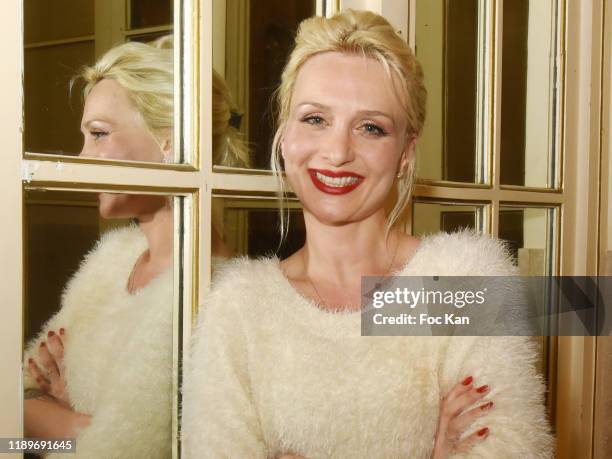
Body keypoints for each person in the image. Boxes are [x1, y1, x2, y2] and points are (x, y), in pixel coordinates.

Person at [182, 9, 555, 459]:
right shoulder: (238, 307)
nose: (337, 152)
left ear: (404, 153)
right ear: (283, 136)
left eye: (371, 128)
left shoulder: (465, 278)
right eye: (315, 119)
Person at [23, 37, 175, 459]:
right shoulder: (111, 261)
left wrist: (71, 421)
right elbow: (10, 423)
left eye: (99, 134)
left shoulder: (208, 284)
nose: (81, 156)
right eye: (314, 120)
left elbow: (124, 452)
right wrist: (81, 427)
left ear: (170, 142)